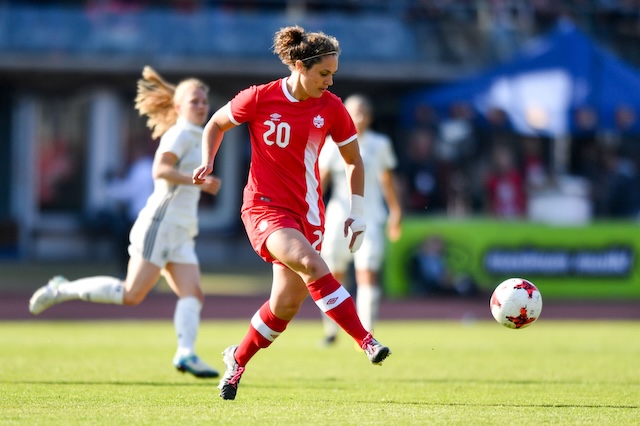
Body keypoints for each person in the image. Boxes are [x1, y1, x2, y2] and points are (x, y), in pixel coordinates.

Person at [193, 25, 392, 401]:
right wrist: (208, 160)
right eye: (324, 73)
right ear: (299, 66)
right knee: (313, 264)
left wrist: (358, 211)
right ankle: (366, 341)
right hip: (264, 208)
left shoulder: (331, 108)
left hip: (309, 215)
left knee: (284, 305)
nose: (330, 82)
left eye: (333, 74)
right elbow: (217, 123)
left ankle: (236, 359)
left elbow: (353, 160)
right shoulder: (258, 98)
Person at [29, 66, 223, 379]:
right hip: (160, 224)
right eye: (194, 101)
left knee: (193, 294)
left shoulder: (199, 135)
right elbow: (159, 170)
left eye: (204, 101)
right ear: (178, 107)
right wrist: (196, 180)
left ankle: (186, 353)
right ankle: (61, 289)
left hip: (182, 230)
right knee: (132, 294)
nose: (201, 106)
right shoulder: (181, 133)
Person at [317, 94, 402, 347]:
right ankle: (330, 331)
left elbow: (387, 181)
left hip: (371, 217)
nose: (360, 117)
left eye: (365, 111)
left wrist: (396, 211)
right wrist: (311, 214)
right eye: (355, 111)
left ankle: (367, 334)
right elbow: (321, 183)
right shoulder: (331, 145)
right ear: (346, 114)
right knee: (333, 274)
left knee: (368, 273)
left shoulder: (380, 143)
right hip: (337, 219)